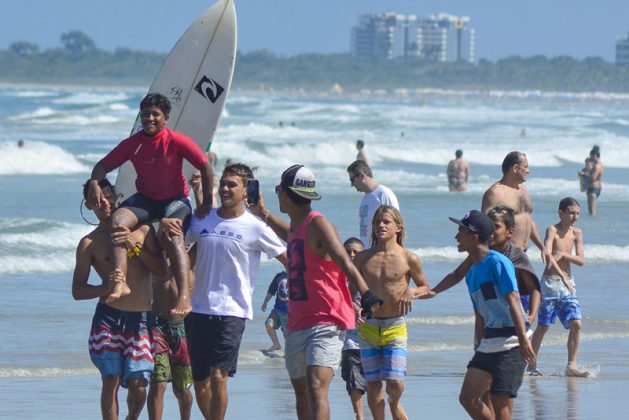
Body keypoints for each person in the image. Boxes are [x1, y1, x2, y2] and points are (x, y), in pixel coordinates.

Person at [250, 164, 382, 420]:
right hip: (296, 322)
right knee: (301, 394)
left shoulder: (319, 224)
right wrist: (263, 213)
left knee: (316, 387)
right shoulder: (298, 227)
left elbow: (344, 260)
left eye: (278, 190)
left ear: (287, 195)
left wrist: (366, 293)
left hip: (326, 321)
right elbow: (289, 234)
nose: (278, 195)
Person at [87, 93, 214, 318]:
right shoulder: (132, 144)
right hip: (145, 199)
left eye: (156, 114)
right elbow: (101, 166)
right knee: (118, 220)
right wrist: (95, 184)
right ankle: (120, 281)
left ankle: (184, 295)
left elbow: (205, 166)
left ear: (166, 117)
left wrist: (207, 202)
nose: (150, 119)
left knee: (174, 237)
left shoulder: (176, 141)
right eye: (145, 114)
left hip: (174, 200)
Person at [184, 163, 287, 420]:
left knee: (219, 378)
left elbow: (288, 259)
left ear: (246, 191)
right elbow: (181, 254)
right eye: (223, 183)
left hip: (232, 311)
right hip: (197, 310)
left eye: (233, 184)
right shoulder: (202, 218)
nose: (226, 188)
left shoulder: (255, 227)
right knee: (200, 382)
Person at [72, 178, 166, 420]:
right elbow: (78, 290)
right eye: (98, 199)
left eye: (108, 195)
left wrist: (134, 247)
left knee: (138, 385)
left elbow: (162, 270)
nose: (105, 202)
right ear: (89, 205)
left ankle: (132, 417)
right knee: (110, 379)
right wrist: (105, 287)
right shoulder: (89, 243)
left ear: (117, 196)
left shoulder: (142, 229)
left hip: (141, 318)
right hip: (108, 318)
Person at [428, 210, 535, 420]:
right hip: (490, 340)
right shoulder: (473, 271)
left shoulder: (498, 262)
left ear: (474, 236)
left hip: (512, 341)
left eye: (461, 231)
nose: (456, 236)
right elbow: (479, 312)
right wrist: (478, 342)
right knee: (467, 398)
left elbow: (513, 299)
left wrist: (523, 339)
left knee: (500, 405)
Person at [352, 205, 430, 420]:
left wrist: (412, 292)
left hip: (394, 326)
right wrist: (355, 307)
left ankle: (394, 405)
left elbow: (425, 286)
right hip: (368, 328)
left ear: (398, 227)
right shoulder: (362, 258)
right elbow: (348, 292)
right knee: (374, 385)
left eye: (386, 221)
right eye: (377, 222)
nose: (381, 225)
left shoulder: (409, 258)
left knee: (395, 383)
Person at [426, 205, 541, 325]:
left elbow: (534, 289)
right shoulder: (480, 255)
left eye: (496, 226)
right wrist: (434, 291)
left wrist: (532, 316)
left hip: (517, 307)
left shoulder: (517, 256)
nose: (491, 231)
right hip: (493, 310)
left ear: (509, 232)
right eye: (490, 226)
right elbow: (457, 275)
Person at [529, 197, 589, 377]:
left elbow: (581, 260)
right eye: (571, 212)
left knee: (577, 323)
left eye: (577, 213)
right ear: (561, 213)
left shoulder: (577, 233)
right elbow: (547, 255)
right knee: (544, 326)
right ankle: (531, 365)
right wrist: (555, 264)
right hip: (550, 284)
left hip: (568, 283)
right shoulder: (552, 230)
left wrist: (563, 254)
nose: (575, 216)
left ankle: (571, 365)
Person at [147, 247, 195, 420]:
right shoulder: (154, 258)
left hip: (182, 327)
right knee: (158, 383)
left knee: (182, 388)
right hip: (156, 325)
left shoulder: (189, 258)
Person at [481, 151, 550, 262]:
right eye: (526, 167)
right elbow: (485, 228)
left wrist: (542, 247)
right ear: (515, 168)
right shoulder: (495, 193)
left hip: (522, 254)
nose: (528, 171)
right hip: (504, 255)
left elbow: (527, 220)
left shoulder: (523, 190)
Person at [341, 237, 367, 420]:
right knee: (353, 377)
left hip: (372, 334)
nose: (351, 255)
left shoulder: (371, 274)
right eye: (348, 251)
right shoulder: (337, 275)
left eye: (355, 252)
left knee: (375, 382)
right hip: (348, 336)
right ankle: (359, 416)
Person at [347, 160, 400, 247]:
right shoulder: (365, 199)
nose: (352, 184)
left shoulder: (384, 194)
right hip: (368, 253)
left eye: (352, 180)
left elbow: (396, 225)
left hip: (381, 254)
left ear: (361, 175)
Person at [260, 270, 289, 353]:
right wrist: (265, 302)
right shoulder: (279, 275)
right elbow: (271, 291)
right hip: (277, 310)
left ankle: (290, 351)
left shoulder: (298, 275)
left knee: (287, 332)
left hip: (289, 312)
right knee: (268, 324)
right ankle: (276, 344)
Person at [579, 146, 603, 216]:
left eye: (591, 156)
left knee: (591, 212)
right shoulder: (601, 165)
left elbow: (593, 178)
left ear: (594, 156)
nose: (590, 158)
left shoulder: (597, 166)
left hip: (593, 188)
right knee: (592, 211)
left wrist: (584, 174)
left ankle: (593, 226)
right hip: (597, 188)